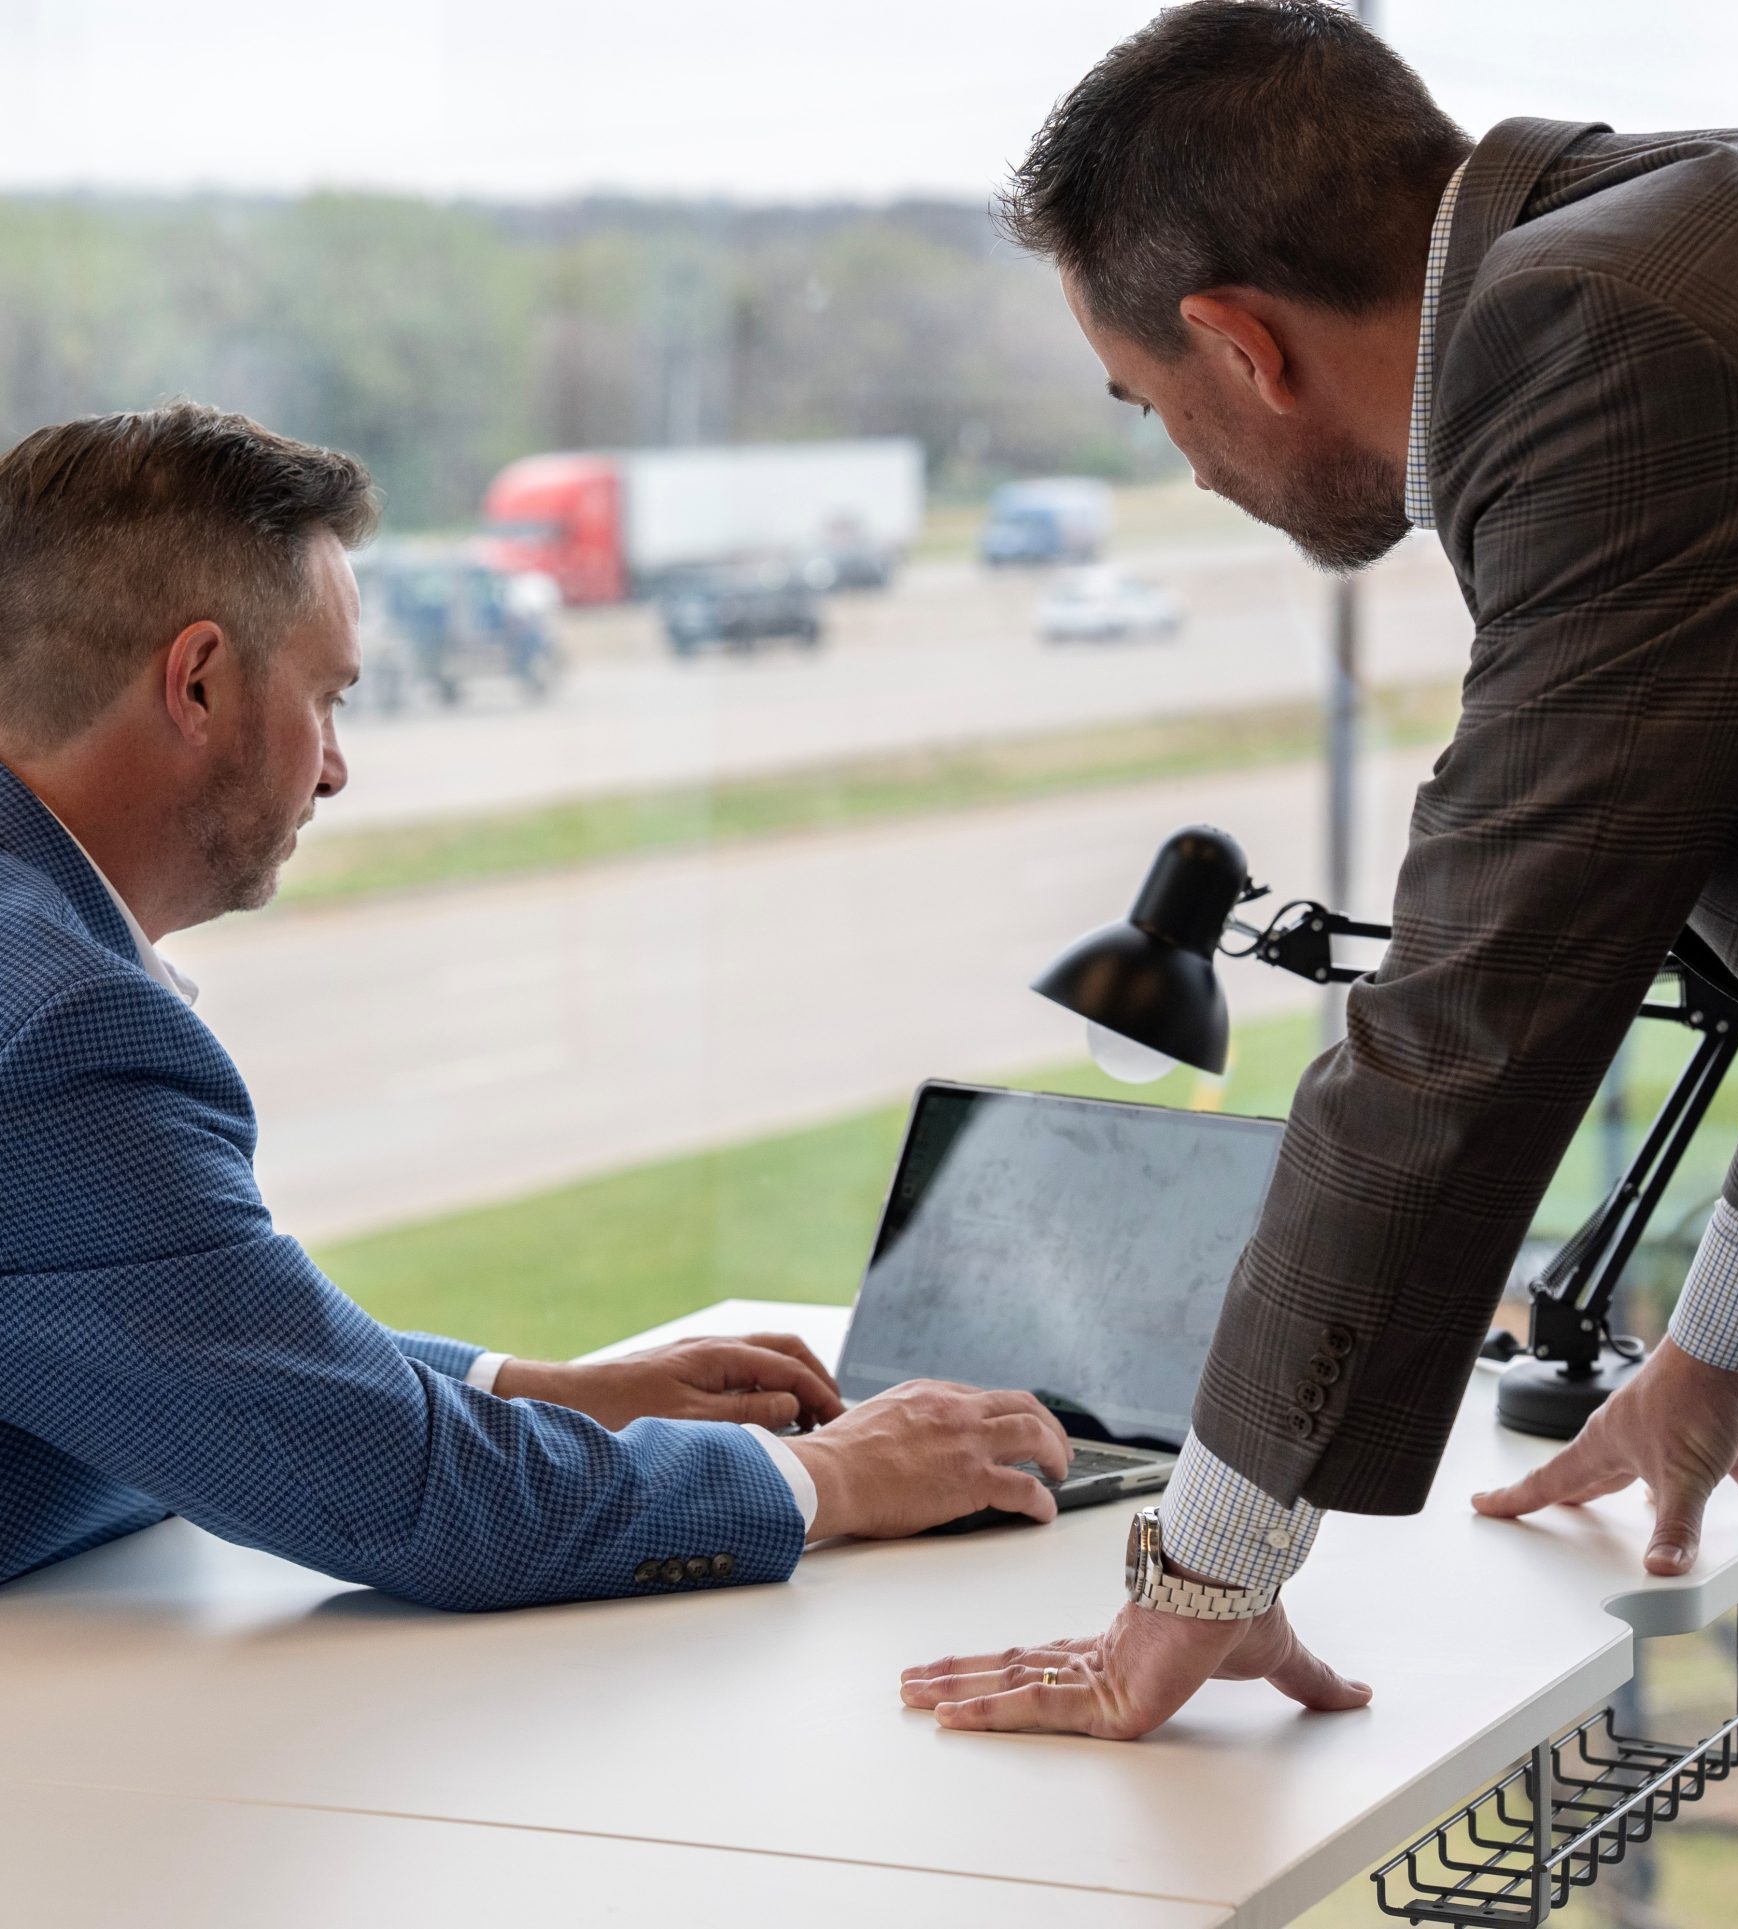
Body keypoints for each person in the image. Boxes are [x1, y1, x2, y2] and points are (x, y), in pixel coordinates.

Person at [897, 3, 1738, 1916]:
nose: (1184, 468)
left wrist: (1201, 1566)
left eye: (1143, 401)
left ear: (1238, 344)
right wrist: (1717, 1347)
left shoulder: (1597, 345)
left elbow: (1466, 1016)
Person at [0, 402, 1071, 1610]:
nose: (337, 767)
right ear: (195, 683)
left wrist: (537, 1391)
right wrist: (830, 1474)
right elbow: (399, 1494)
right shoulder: (58, 1033)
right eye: (329, 699)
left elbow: (162, 1362)